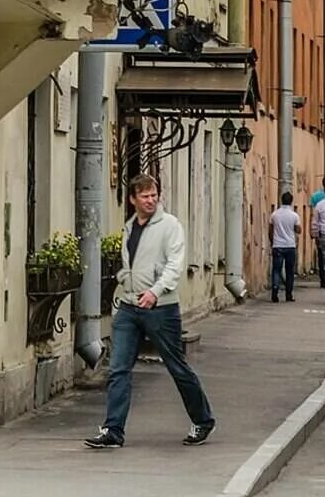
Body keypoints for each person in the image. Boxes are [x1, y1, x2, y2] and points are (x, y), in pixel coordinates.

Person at [85, 177, 214, 449]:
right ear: (133, 199)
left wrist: (155, 291)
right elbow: (131, 265)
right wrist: (124, 279)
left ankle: (202, 420)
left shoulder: (170, 226)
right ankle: (113, 430)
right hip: (129, 307)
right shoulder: (130, 227)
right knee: (118, 368)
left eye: (154, 195)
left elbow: (175, 265)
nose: (150, 200)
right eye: (144, 196)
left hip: (161, 307)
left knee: (176, 366)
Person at [269, 191, 301, 302]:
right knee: (289, 271)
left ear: (281, 200)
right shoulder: (294, 215)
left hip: (277, 245)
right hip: (290, 245)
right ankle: (289, 294)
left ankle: (275, 291)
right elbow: (298, 230)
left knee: (276, 270)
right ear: (291, 201)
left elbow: (270, 231)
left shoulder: (274, 214)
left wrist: (272, 242)